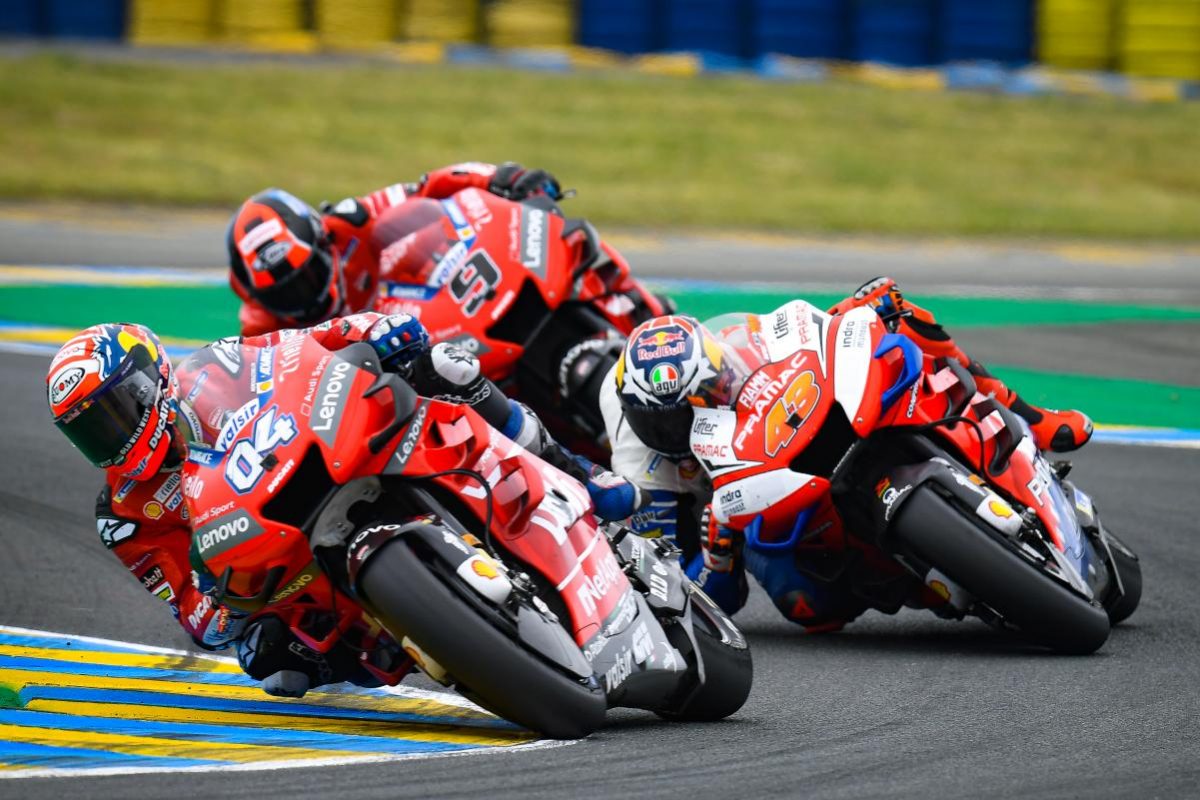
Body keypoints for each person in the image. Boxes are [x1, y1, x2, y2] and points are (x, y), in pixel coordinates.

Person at [47, 310, 636, 697]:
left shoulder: (214, 367)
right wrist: (217, 597)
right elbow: (194, 616)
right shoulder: (124, 518)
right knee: (271, 662)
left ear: (151, 381)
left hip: (322, 459)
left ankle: (574, 468)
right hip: (276, 567)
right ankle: (438, 637)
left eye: (114, 412)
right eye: (90, 432)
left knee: (443, 368)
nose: (110, 437)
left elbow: (305, 345)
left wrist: (376, 329)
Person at [596, 277, 1095, 629]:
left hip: (792, 431)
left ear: (718, 374)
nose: (683, 423)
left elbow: (796, 327)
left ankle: (1030, 417)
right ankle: (930, 580)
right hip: (752, 504)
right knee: (806, 605)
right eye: (666, 418)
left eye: (700, 400)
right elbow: (679, 597)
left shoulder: (731, 347)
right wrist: (718, 556)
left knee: (901, 316)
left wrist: (852, 311)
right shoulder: (642, 467)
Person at [225, 162, 561, 336]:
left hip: (437, 321)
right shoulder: (259, 329)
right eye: (285, 294)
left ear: (322, 242)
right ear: (256, 297)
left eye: (309, 275)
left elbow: (428, 187)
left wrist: (501, 178)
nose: (303, 297)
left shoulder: (349, 223)